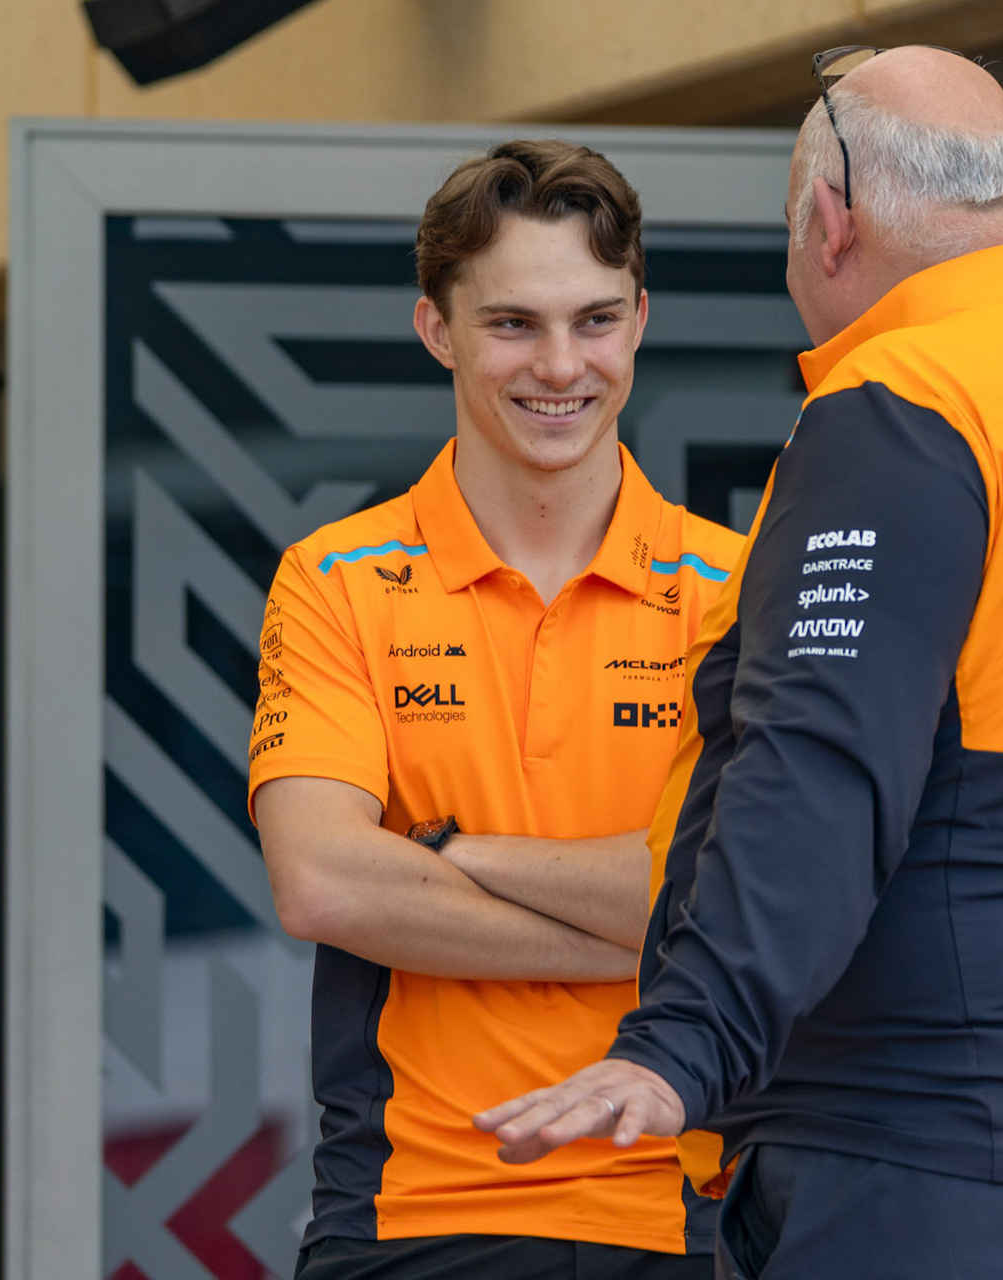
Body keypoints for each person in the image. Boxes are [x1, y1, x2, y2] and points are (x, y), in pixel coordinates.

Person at [475, 48, 1003, 1280]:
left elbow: (818, 764)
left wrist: (682, 1048)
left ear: (832, 222)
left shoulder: (906, 404)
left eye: (786, 230)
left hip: (923, 1158)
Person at [249, 139, 742, 1280]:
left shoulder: (739, 590)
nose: (562, 364)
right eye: (513, 322)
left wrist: (444, 853)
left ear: (641, 319)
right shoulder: (336, 577)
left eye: (596, 319)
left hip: (683, 1209)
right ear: (437, 329)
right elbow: (322, 880)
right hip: (413, 1209)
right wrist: (645, 930)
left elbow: (736, 891)